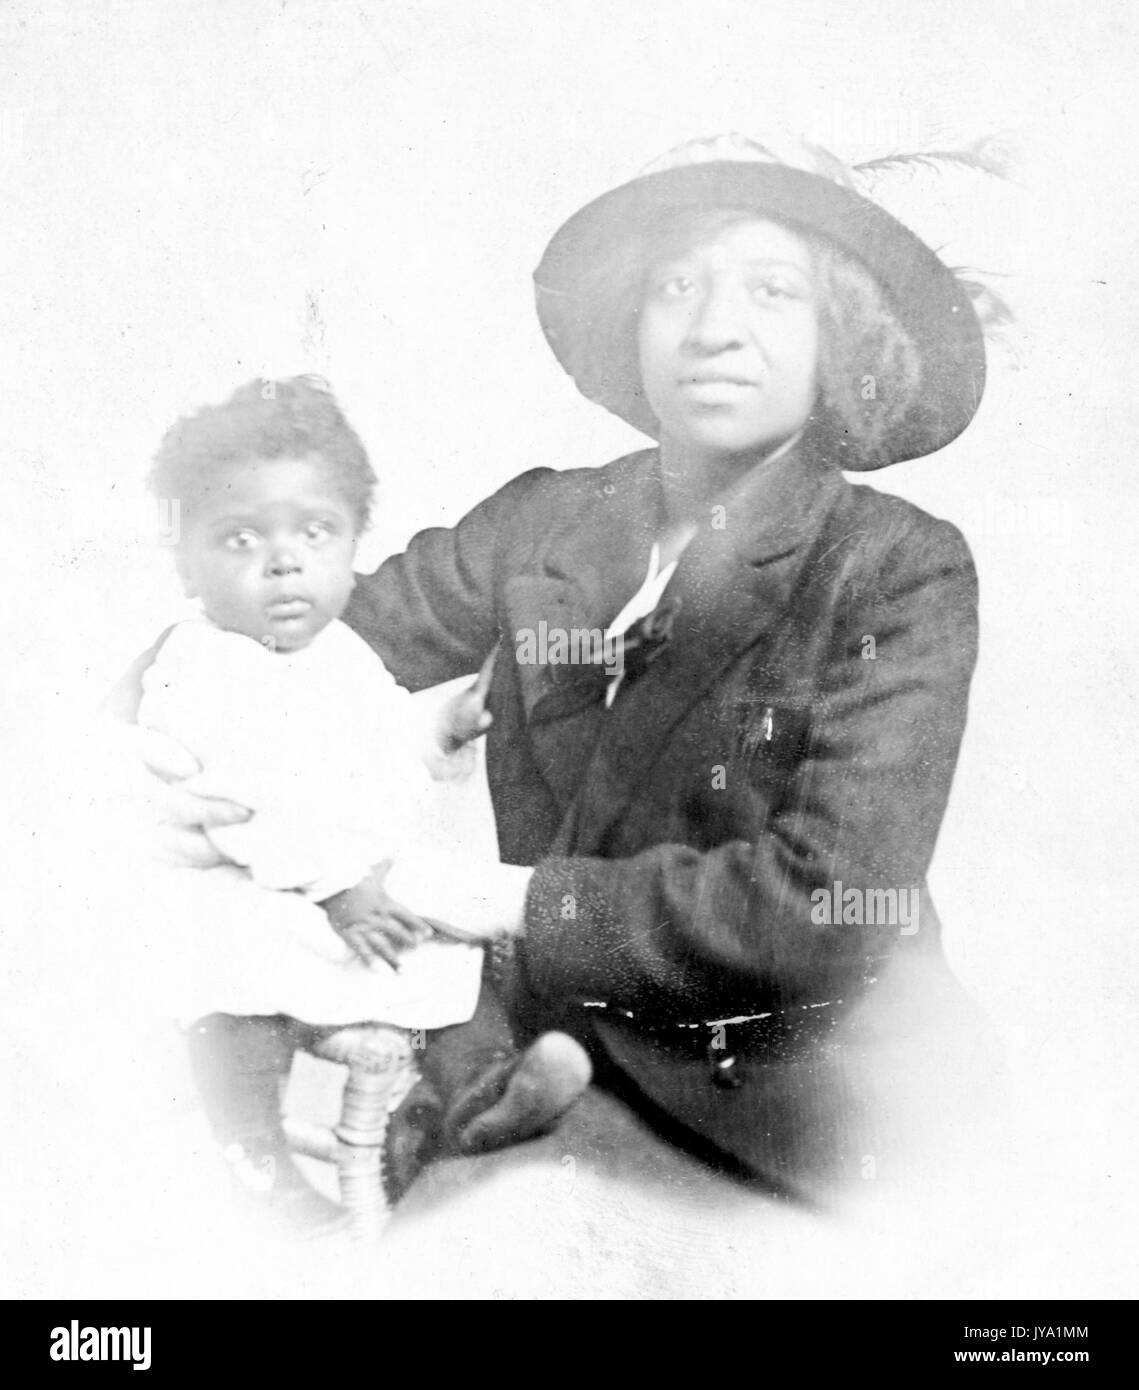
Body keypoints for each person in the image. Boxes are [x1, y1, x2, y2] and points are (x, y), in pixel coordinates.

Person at [142, 132, 1000, 1209]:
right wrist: (160, 768)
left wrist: (483, 898)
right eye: (675, 284)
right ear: (633, 326)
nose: (712, 327)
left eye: (771, 290)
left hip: (805, 1102)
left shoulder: (891, 567)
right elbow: (288, 628)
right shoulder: (546, 520)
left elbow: (827, 905)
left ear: (844, 339)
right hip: (540, 1052)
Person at [130, 376, 591, 1233]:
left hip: (350, 885)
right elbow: (246, 802)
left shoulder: (340, 653)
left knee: (448, 957)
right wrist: (339, 889)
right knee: (234, 1012)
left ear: (350, 542)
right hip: (259, 890)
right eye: (239, 539)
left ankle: (481, 1090)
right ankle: (254, 1153)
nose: (284, 562)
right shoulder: (200, 668)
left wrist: (440, 729)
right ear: (185, 560)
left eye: (315, 532)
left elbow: (374, 746)